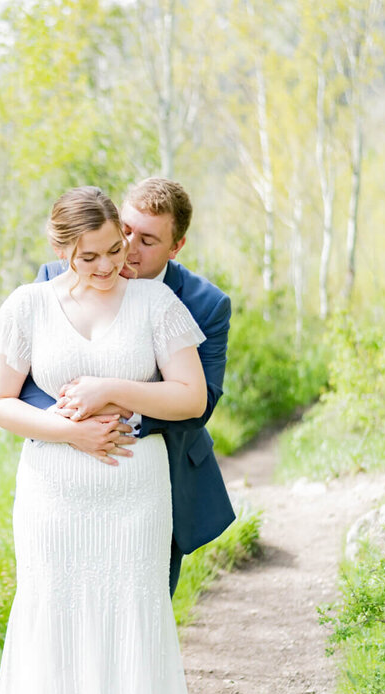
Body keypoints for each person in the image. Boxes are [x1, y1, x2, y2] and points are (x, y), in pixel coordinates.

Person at [0, 186, 207, 694]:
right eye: (90, 256)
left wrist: (115, 388)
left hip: (135, 497)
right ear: (63, 251)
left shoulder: (155, 304)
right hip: (52, 497)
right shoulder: (27, 306)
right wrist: (70, 434)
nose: (108, 265)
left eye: (114, 249)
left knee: (133, 618)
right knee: (52, 615)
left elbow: (191, 397)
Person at [20, 177, 235, 596]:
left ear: (177, 248)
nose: (128, 247)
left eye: (148, 240)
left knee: (142, 608)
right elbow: (25, 382)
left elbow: (201, 401)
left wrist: (110, 401)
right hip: (62, 475)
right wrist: (72, 425)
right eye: (126, 229)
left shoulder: (205, 303)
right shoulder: (53, 277)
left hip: (157, 477)